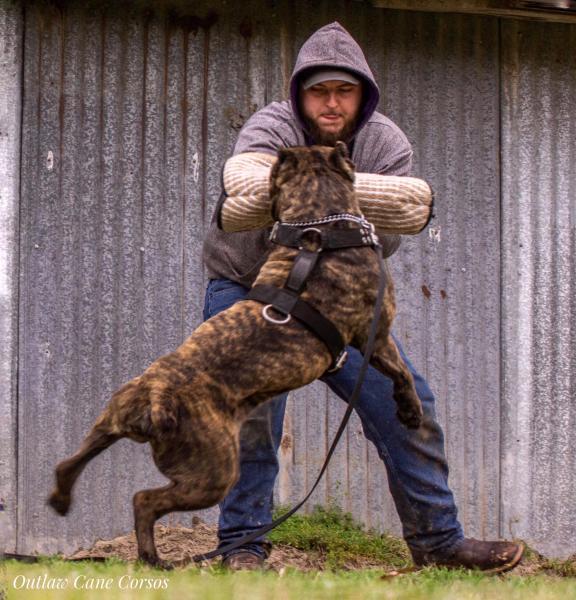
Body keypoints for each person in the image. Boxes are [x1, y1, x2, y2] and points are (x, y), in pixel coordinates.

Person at [201, 22, 524, 572]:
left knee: (406, 402)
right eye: (319, 91)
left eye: (343, 91)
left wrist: (307, 197)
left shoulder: (385, 143)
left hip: (336, 303)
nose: (331, 103)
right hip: (252, 288)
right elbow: (246, 193)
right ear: (300, 93)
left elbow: (392, 234)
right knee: (252, 416)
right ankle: (242, 548)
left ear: (362, 95)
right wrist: (355, 202)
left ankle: (439, 542)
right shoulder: (271, 125)